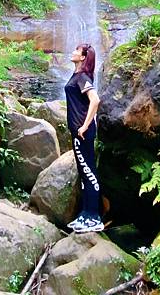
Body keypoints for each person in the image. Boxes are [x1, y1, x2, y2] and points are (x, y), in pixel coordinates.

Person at [64, 43, 104, 233]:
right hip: (78, 131)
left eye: (77, 51)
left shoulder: (82, 77)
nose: (73, 52)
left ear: (83, 57)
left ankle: (94, 217)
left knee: (88, 171)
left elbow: (95, 100)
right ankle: (85, 214)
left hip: (83, 132)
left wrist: (85, 126)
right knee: (83, 172)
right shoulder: (77, 76)